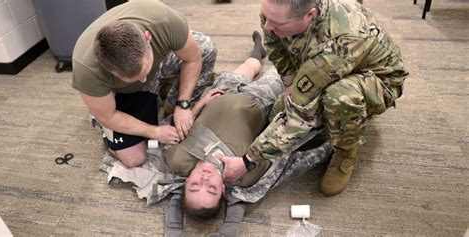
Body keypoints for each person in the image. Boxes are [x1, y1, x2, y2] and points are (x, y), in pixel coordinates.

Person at [219, 0, 409, 196]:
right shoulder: (276, 12)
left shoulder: (342, 40)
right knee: (281, 110)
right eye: (265, 17)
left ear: (309, 15)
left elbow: (300, 114)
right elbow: (276, 47)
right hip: (331, 61)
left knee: (338, 97)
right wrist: (292, 81)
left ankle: (345, 153)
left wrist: (249, 160)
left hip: (378, 78)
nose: (267, 26)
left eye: (276, 23)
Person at [71, 1, 217, 168]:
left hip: (159, 55)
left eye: (144, 72)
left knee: (206, 48)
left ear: (148, 38)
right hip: (120, 92)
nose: (144, 80)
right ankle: (102, 110)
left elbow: (193, 58)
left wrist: (183, 104)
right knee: (134, 159)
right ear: (108, 69)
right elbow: (109, 116)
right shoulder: (87, 70)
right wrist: (154, 132)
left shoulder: (163, 20)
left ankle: (170, 105)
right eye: (134, 78)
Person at [163, 31, 286, 220]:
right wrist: (247, 161)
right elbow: (276, 149)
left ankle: (257, 50)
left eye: (195, 186)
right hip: (258, 102)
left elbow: (177, 128)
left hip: (220, 93)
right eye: (211, 189)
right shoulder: (242, 176)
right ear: (222, 189)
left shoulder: (177, 161)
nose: (204, 179)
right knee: (283, 69)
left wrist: (200, 104)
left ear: (186, 182)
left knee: (249, 66)